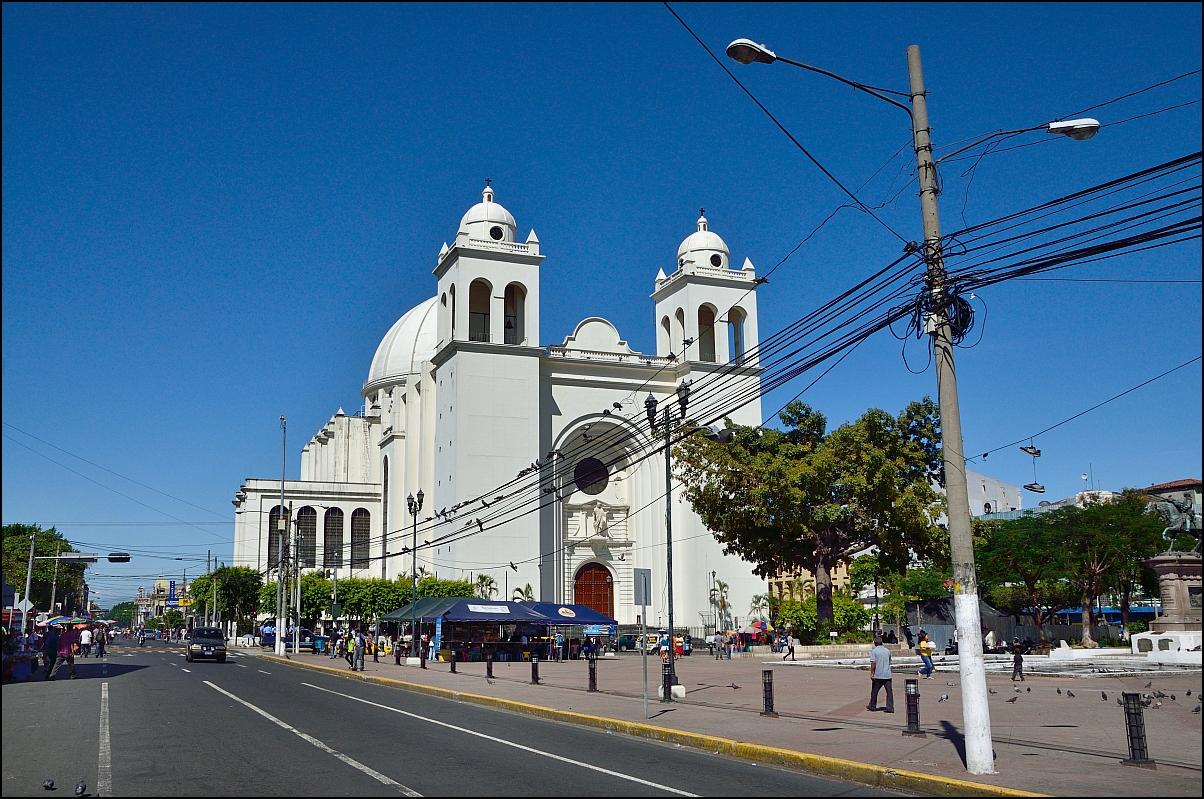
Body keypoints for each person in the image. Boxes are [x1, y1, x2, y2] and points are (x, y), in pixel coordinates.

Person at [866, 636, 894, 713]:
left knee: (874, 691)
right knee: (889, 692)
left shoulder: (874, 651)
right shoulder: (887, 651)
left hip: (878, 675)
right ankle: (890, 707)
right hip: (887, 674)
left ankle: (872, 706)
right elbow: (889, 661)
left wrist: (872, 673)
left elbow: (873, 663)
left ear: (875, 643)